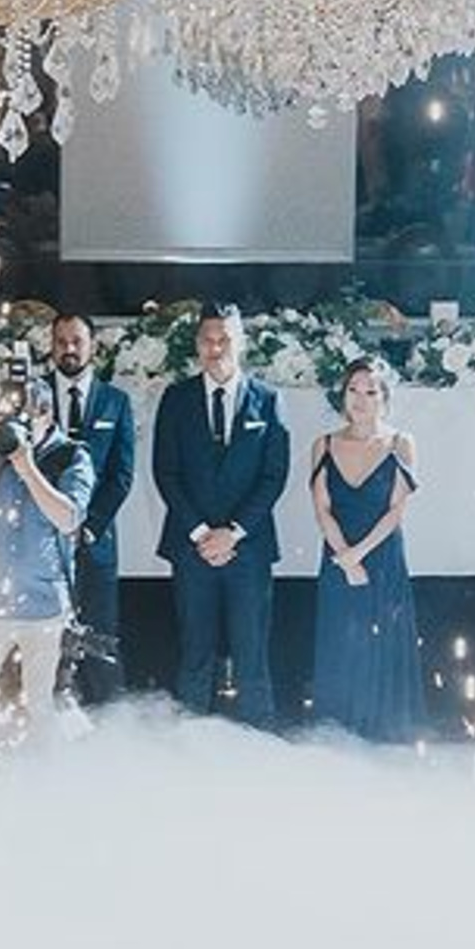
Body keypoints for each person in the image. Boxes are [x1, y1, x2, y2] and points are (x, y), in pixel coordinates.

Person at [152, 304, 291, 727]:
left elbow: (274, 475)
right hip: (191, 548)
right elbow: (166, 472)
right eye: (208, 340)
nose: (216, 348)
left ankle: (258, 742)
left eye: (224, 340)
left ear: (240, 343)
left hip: (248, 550)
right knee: (195, 652)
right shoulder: (175, 399)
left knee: (252, 654)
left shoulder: (268, 400)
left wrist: (232, 534)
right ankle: (191, 744)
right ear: (197, 345)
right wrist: (200, 533)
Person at [0, 375, 96, 739]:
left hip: (44, 604)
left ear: (46, 414)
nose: (14, 425)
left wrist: (27, 465)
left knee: (42, 706)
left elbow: (69, 519)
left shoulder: (71, 455)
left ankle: (49, 781)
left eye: (24, 416)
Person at [309, 356, 424, 742]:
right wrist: (343, 556)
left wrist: (359, 555)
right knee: (341, 640)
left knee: (380, 643)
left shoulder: (400, 443)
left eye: (370, 391)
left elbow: (397, 511)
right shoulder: (323, 444)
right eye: (353, 390)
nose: (360, 399)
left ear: (384, 397)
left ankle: (383, 735)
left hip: (382, 557)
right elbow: (322, 508)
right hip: (337, 555)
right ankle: (338, 732)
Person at [49, 313, 135, 703]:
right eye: (61, 341)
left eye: (77, 341)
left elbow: (121, 475)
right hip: (43, 542)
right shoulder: (32, 395)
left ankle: (109, 724)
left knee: (101, 634)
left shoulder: (117, 401)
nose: (69, 348)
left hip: (96, 540)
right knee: (46, 636)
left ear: (92, 346)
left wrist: (88, 526)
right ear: (51, 345)